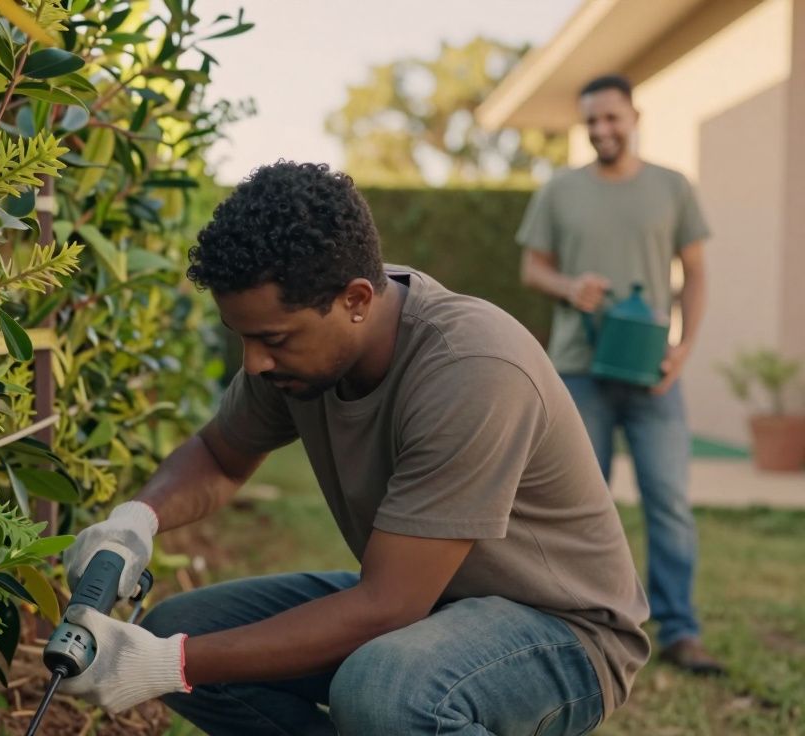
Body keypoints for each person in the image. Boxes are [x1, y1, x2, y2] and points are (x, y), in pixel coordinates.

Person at [55, 161, 649, 735]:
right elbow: (219, 455)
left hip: (562, 631)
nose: (254, 363)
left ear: (358, 300)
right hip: (435, 602)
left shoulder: (472, 368)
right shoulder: (298, 355)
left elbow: (389, 604)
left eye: (273, 340)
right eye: (243, 339)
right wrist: (136, 521)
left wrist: (168, 664)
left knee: (383, 690)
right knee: (181, 624)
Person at [518, 74, 721, 675]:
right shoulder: (560, 190)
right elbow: (533, 268)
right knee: (579, 505)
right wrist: (568, 286)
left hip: (654, 374)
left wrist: (683, 351)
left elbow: (698, 273)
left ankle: (681, 629)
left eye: (612, 118)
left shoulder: (672, 187)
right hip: (578, 372)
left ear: (634, 116)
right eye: (592, 123)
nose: (603, 130)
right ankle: (583, 625)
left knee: (670, 503)